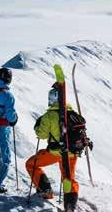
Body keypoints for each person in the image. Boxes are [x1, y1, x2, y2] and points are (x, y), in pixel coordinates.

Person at [25, 83, 81, 212]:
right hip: (72, 152)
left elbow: (41, 135)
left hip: (56, 153)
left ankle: (46, 191)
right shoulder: (73, 113)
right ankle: (70, 205)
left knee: (31, 164)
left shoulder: (49, 116)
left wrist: (39, 125)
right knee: (69, 178)